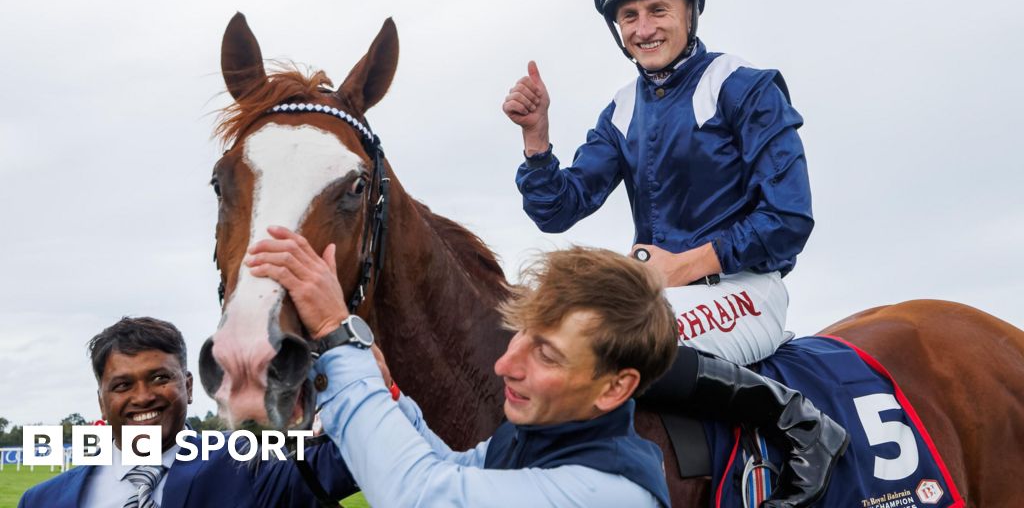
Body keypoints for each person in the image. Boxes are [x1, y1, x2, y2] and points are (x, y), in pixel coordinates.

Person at [501, 0, 846, 505]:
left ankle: (805, 428)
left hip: (747, 290)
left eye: (659, 9)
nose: (643, 28)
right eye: (629, 16)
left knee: (621, 347)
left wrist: (685, 266)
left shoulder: (744, 85)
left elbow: (789, 218)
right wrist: (536, 138)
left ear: (690, 12)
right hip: (663, 296)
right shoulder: (622, 108)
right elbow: (559, 209)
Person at [247, 227, 843, 507]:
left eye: (547, 355)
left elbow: (420, 495)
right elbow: (450, 466)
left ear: (617, 388)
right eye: (522, 337)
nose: (506, 362)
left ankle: (798, 418)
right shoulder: (548, 440)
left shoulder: (604, 493)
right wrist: (390, 389)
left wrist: (335, 337)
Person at [19, 316, 357, 508]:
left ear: (190, 386)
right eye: (122, 386)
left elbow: (360, 452)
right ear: (101, 402)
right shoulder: (40, 501)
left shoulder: (249, 462)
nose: (143, 397)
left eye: (160, 378)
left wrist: (342, 345)